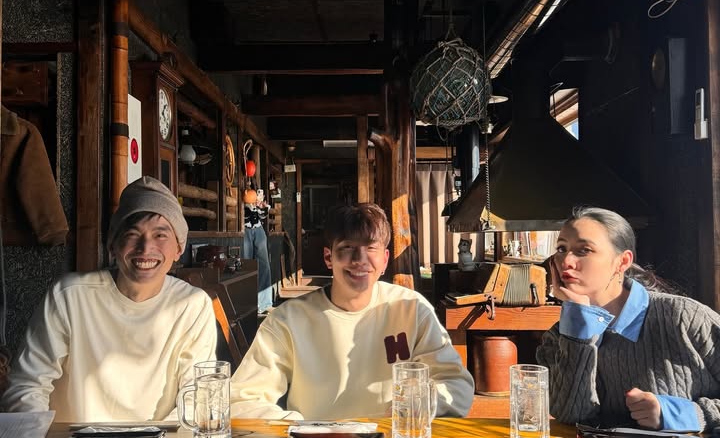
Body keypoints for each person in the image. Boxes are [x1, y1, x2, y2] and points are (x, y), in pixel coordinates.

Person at [1, 176, 217, 422]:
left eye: (160, 235)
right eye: (133, 234)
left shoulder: (191, 305)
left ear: (179, 248)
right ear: (113, 245)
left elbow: (197, 394)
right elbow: (28, 385)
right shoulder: (70, 297)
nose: (145, 248)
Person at [230, 202, 474, 420]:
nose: (360, 259)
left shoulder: (411, 309)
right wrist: (298, 427)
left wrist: (417, 403)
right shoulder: (288, 320)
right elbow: (241, 400)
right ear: (328, 257)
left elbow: (456, 386)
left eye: (371, 248)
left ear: (385, 259)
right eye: (347, 247)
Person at [537, 205, 720, 431]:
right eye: (561, 248)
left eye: (584, 250)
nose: (566, 261)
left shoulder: (683, 318)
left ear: (622, 262)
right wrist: (578, 332)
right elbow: (569, 416)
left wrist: (682, 414)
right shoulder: (560, 337)